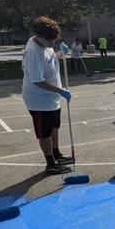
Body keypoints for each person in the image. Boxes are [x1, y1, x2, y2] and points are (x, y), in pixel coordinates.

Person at [21, 16, 75, 175]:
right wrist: (61, 91)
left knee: (54, 126)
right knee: (44, 132)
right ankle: (50, 163)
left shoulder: (45, 44)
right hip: (38, 99)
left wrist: (60, 53)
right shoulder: (33, 52)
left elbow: (50, 59)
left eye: (55, 40)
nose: (53, 43)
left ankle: (56, 154)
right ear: (40, 36)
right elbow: (37, 80)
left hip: (51, 98)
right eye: (51, 41)